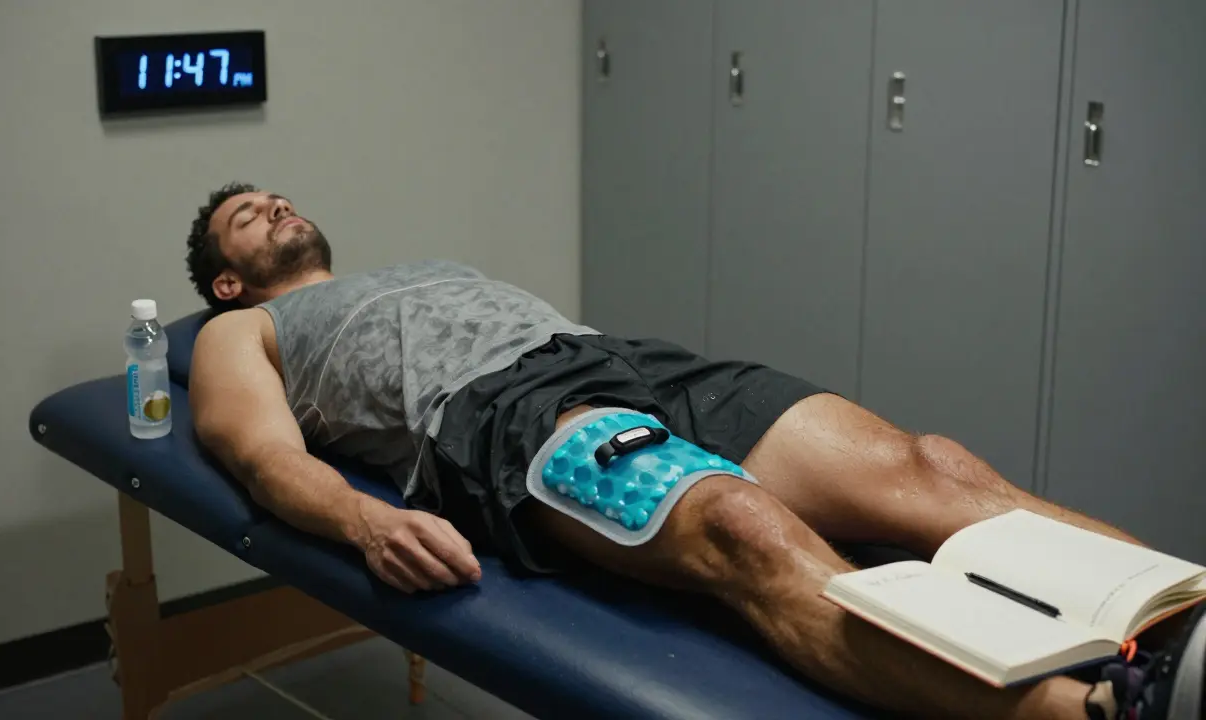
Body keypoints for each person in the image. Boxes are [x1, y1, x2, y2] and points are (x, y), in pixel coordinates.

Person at [183, 183, 1204, 720]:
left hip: (619, 359)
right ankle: (1096, 712)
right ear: (226, 281)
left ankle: (1183, 621)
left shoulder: (416, 264)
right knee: (744, 528)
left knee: (930, 468)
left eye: (272, 195)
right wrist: (368, 521)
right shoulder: (238, 335)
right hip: (497, 419)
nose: (271, 204)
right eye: (244, 215)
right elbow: (263, 459)